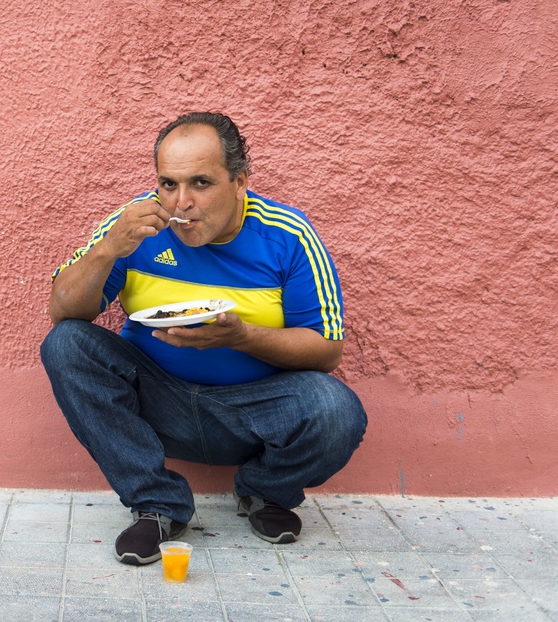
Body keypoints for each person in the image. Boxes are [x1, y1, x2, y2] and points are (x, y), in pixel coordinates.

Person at [40, 112, 367, 566]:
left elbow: (327, 351)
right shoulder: (134, 225)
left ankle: (263, 493)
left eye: (201, 183)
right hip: (158, 401)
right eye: (168, 184)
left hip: (252, 412)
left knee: (335, 410)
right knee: (66, 344)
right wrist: (108, 249)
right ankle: (158, 505)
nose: (182, 202)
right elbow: (62, 310)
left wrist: (242, 336)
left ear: (239, 182)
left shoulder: (287, 235)